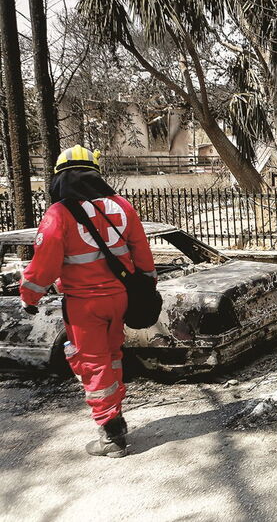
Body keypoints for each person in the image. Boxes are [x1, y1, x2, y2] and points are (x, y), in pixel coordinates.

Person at [20, 145, 156, 458]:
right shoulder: (122, 206)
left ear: (60, 178)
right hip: (120, 299)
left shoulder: (59, 214)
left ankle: (110, 434)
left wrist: (29, 296)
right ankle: (116, 414)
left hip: (84, 305)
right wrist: (148, 285)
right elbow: (142, 253)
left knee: (92, 362)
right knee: (113, 356)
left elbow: (44, 266)